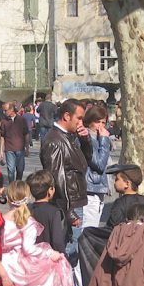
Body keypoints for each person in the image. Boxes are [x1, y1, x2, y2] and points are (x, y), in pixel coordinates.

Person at [40, 99, 91, 241]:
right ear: (67, 116)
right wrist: (68, 212)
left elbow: (85, 161)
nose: (81, 123)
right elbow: (56, 178)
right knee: (69, 248)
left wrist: (85, 140)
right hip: (68, 204)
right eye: (79, 118)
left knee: (74, 246)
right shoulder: (54, 141)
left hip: (75, 201)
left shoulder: (69, 136)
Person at [81, 104, 112, 229]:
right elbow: (99, 164)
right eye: (97, 122)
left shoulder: (98, 138)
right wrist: (104, 141)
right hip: (91, 188)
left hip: (97, 189)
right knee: (89, 227)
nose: (100, 126)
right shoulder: (89, 139)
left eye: (103, 123)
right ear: (89, 122)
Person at [28, 170, 66, 254]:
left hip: (30, 256)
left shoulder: (26, 209)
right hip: (48, 257)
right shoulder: (54, 212)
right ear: (50, 190)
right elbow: (57, 240)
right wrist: (63, 256)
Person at [0, 101, 30, 184]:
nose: (4, 112)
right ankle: (12, 185)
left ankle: (18, 185)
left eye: (6, 110)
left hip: (20, 148)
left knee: (20, 169)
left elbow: (26, 134)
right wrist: (1, 150)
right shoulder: (4, 122)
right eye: (3, 111)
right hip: (9, 149)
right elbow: (2, 136)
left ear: (12, 109)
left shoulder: (22, 120)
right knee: (11, 169)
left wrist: (27, 147)